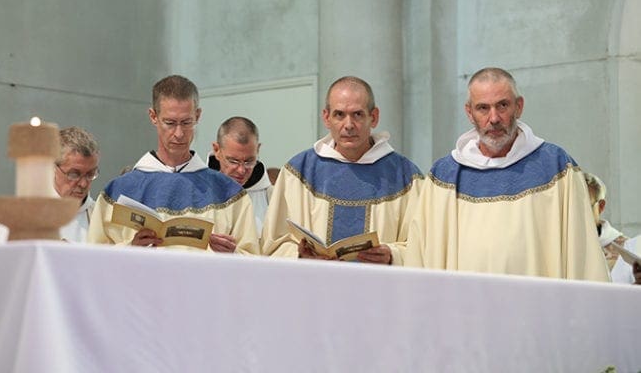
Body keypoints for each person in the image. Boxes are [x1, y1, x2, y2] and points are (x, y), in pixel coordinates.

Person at [405, 67, 609, 281]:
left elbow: (583, 256)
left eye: (502, 105)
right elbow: (420, 257)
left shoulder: (556, 168)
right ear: (469, 112)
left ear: (518, 107)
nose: (494, 118)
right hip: (464, 309)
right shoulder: (444, 176)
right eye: (483, 108)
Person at [86, 75, 259, 255]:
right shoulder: (118, 191)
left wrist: (232, 254)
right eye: (170, 123)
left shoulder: (228, 193)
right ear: (153, 116)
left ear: (198, 115)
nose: (179, 133)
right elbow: (93, 260)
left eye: (186, 122)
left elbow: (255, 264)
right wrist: (131, 249)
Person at [260, 76, 424, 265]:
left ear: (374, 117)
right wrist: (299, 255)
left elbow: (424, 246)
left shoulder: (405, 176)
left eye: (357, 114)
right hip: (315, 288)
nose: (348, 125)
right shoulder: (298, 172)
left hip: (379, 290)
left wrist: (393, 255)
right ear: (326, 118)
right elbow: (272, 243)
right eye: (339, 114)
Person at [0, 126, 100, 243]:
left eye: (90, 174)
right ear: (52, 167)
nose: (84, 184)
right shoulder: (21, 217)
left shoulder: (100, 219)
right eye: (74, 174)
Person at [207, 116, 272, 237]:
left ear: (257, 150)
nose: (241, 170)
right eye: (233, 161)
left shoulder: (270, 198)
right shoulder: (199, 190)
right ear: (216, 150)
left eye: (249, 161)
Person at [584, 172, 628, 270]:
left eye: (585, 207)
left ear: (601, 206)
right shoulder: (558, 245)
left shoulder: (627, 250)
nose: (577, 214)